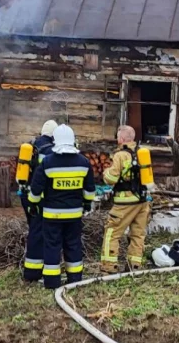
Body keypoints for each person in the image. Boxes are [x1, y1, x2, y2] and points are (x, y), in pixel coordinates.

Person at [29, 124, 95, 290]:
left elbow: (36, 189)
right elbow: (90, 190)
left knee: (52, 246)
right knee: (73, 244)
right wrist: (86, 204)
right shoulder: (84, 162)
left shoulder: (48, 162)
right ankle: (75, 279)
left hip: (52, 215)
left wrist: (33, 204)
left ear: (55, 140)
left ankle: (52, 282)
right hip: (74, 215)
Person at [100, 125, 151, 273]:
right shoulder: (142, 153)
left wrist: (106, 172)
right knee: (138, 234)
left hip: (125, 203)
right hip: (143, 201)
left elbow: (111, 178)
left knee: (112, 232)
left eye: (118, 136)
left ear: (121, 138)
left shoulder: (120, 155)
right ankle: (134, 266)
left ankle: (109, 267)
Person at [21, 119, 57, 283]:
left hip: (25, 195)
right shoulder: (50, 151)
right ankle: (33, 272)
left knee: (34, 230)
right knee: (39, 232)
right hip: (39, 197)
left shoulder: (31, 146)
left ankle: (34, 268)